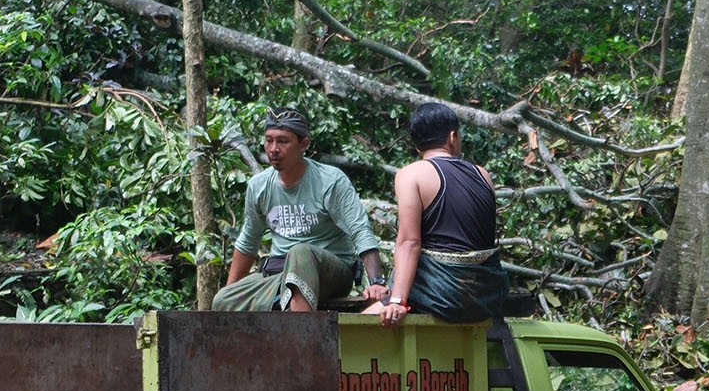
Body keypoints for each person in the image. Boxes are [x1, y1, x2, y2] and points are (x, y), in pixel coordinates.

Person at [210, 108, 387, 312]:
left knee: (300, 252)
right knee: (223, 300)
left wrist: (376, 281)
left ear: (304, 144)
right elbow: (248, 240)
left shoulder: (329, 181)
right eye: (269, 140)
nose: (274, 149)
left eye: (283, 141)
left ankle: (302, 338)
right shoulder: (259, 185)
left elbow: (360, 230)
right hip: (279, 274)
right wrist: (233, 289)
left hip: (330, 273)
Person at [371, 102, 510, 327]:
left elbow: (409, 242)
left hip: (444, 294)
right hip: (488, 293)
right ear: (452, 137)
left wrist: (397, 301)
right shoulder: (483, 174)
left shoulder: (411, 174)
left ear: (417, 146)